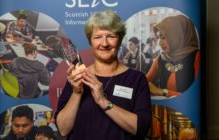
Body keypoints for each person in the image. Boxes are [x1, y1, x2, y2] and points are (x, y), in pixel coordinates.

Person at [55, 10, 151, 140]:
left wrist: (102, 101)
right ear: (90, 42)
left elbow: (141, 129)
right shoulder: (77, 78)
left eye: (111, 36)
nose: (104, 43)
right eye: (97, 37)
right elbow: (63, 129)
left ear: (120, 39)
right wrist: (76, 93)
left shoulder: (136, 79)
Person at [146, 15, 200, 98]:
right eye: (159, 37)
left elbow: (195, 97)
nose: (160, 43)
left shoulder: (195, 57)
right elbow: (143, 83)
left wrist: (162, 92)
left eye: (164, 37)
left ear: (178, 37)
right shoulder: (161, 59)